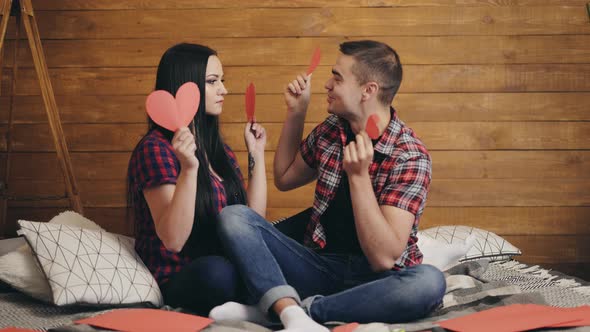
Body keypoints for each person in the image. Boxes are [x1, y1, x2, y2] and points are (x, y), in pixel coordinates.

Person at [210, 40, 445, 330]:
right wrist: (296, 113)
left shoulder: (409, 155)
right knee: (234, 217)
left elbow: (384, 258)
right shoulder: (332, 130)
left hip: (376, 281)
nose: (326, 84)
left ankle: (294, 311)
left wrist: (359, 177)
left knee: (429, 283)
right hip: (319, 266)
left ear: (367, 90)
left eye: (337, 77)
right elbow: (284, 177)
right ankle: (289, 312)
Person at [127, 43, 267, 315]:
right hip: (185, 275)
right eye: (213, 81)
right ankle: (255, 302)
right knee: (218, 273)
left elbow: (254, 224)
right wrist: (189, 170)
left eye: (222, 81)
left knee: (282, 244)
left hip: (231, 262)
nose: (224, 90)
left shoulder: (219, 151)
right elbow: (173, 239)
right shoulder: (155, 149)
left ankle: (255, 301)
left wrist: (257, 155)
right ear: (185, 86)